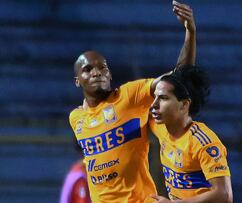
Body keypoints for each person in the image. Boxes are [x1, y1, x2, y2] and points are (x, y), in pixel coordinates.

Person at [68, 1, 196, 202]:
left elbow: (177, 79)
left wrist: (190, 32)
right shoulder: (76, 118)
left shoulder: (130, 95)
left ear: (110, 75)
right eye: (87, 69)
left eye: (102, 68)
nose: (96, 73)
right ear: (77, 81)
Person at [149, 65, 233, 203]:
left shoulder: (203, 143)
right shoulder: (162, 128)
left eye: (163, 98)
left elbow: (224, 195)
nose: (154, 104)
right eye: (155, 97)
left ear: (184, 105)